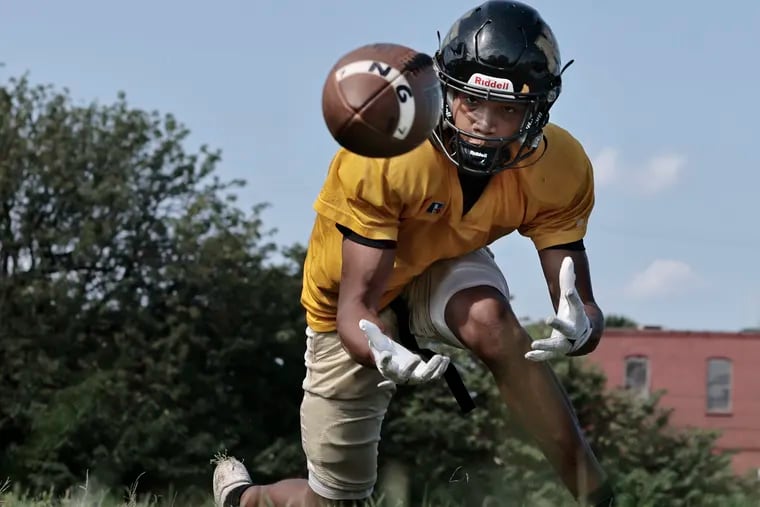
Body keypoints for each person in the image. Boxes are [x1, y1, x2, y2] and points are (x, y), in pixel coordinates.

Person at [212, 1, 615, 505]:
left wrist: (582, 330)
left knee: (495, 324)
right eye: (472, 103)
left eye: (507, 109)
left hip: (439, 262)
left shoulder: (560, 165)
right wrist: (378, 348)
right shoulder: (390, 150)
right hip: (353, 301)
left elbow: (582, 304)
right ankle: (246, 499)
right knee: (335, 502)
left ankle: (599, 495)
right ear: (444, 91)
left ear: (538, 110)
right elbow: (357, 308)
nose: (486, 124)